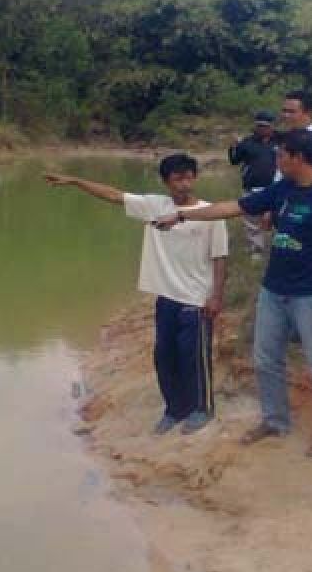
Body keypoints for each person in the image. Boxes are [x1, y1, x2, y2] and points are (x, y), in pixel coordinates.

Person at [152, 129, 312, 455]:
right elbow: (232, 207)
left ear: (298, 158)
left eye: (281, 155)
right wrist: (183, 214)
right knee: (265, 360)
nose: (276, 160)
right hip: (274, 291)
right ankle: (275, 420)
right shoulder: (282, 189)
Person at [43, 155, 228, 436]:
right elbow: (114, 195)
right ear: (165, 182)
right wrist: (76, 182)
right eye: (178, 179)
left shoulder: (211, 213)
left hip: (196, 299)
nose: (185, 184)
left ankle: (202, 408)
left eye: (189, 177)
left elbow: (220, 258)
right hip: (166, 298)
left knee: (194, 358)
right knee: (164, 356)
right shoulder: (154, 206)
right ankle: (174, 409)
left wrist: (216, 296)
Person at [227, 110, 278, 258]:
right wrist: (233, 147)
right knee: (252, 221)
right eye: (259, 126)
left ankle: (279, 249)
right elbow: (234, 161)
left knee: (278, 220)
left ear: (272, 126)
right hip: (252, 187)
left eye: (266, 126)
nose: (262, 129)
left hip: (275, 187)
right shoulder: (247, 142)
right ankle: (256, 250)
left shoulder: (280, 141)